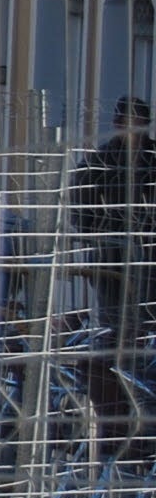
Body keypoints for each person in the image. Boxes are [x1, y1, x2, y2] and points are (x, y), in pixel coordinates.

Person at [74, 94, 156, 449]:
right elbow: (80, 208)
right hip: (111, 265)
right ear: (119, 124)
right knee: (113, 332)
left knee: (143, 333)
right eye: (130, 123)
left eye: (141, 123)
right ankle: (117, 416)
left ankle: (141, 407)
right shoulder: (100, 162)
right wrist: (100, 238)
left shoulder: (152, 160)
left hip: (149, 266)